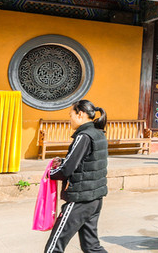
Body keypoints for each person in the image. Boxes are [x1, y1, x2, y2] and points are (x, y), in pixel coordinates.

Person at [43, 99, 108, 253]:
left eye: (70, 115)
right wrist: (64, 161)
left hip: (80, 199)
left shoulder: (83, 136)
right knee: (91, 247)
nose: (69, 119)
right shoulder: (98, 133)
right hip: (94, 198)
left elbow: (67, 170)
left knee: (54, 246)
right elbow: (86, 161)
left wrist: (49, 174)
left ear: (80, 114)